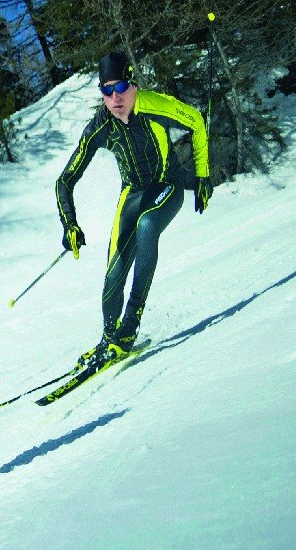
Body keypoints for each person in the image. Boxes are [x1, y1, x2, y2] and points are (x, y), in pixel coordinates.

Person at [54, 51, 212, 375]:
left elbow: (196, 120)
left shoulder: (155, 105)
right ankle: (109, 339)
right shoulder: (101, 125)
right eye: (106, 91)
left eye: (120, 87)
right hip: (133, 195)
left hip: (167, 185)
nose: (114, 98)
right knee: (112, 275)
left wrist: (203, 175)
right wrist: (69, 224)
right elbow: (64, 180)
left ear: (133, 84)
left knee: (147, 224)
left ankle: (131, 322)